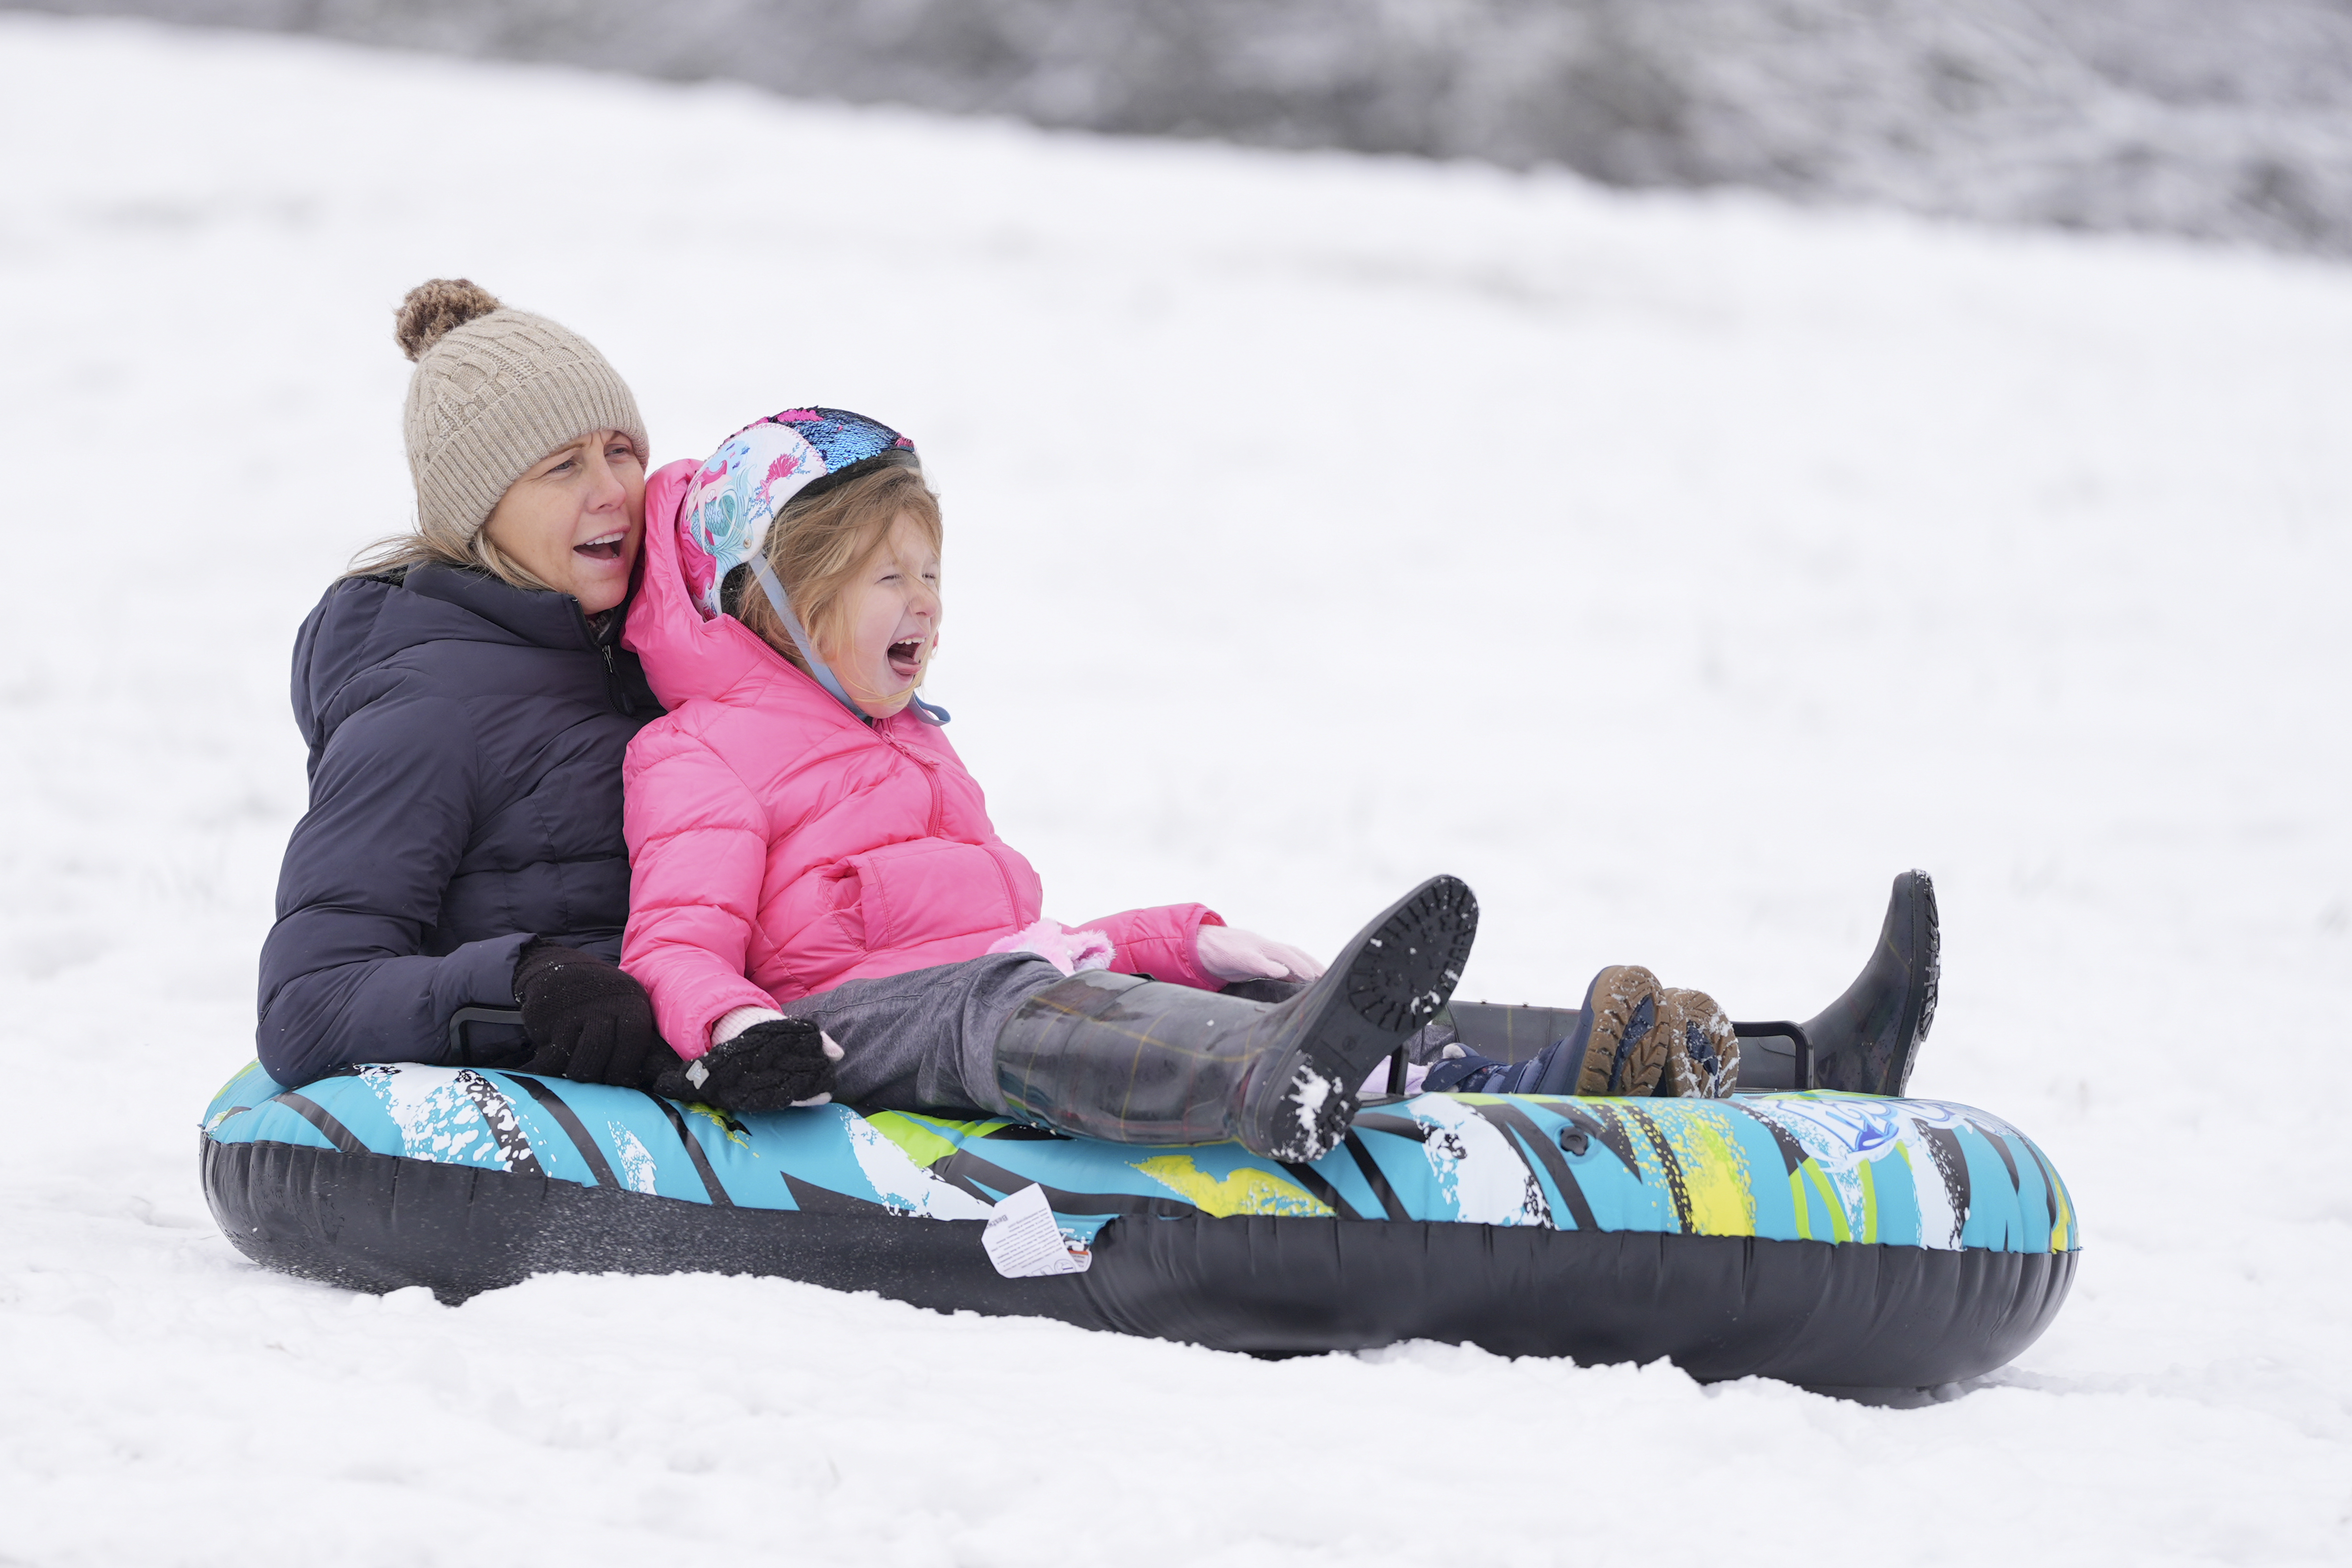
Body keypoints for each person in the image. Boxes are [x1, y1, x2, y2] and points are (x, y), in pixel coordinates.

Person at [613, 409, 1749, 1163]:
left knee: (1139, 987)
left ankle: (1548, 1079)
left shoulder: (912, 744)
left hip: (985, 999)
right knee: (995, 999)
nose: (927, 602)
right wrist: (739, 1027)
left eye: (933, 572)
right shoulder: (701, 751)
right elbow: (673, 943)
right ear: (779, 597)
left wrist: (1169, 941)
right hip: (832, 1036)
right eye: (886, 575)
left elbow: (1018, 937)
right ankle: (1265, 1070)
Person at [255, 280, 681, 1094]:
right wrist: (527, 984)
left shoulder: (668, 655)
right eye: (564, 465)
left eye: (621, 450)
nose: (612, 490)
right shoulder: (427, 707)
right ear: (478, 510)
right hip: (587, 1100)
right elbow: (307, 1000)